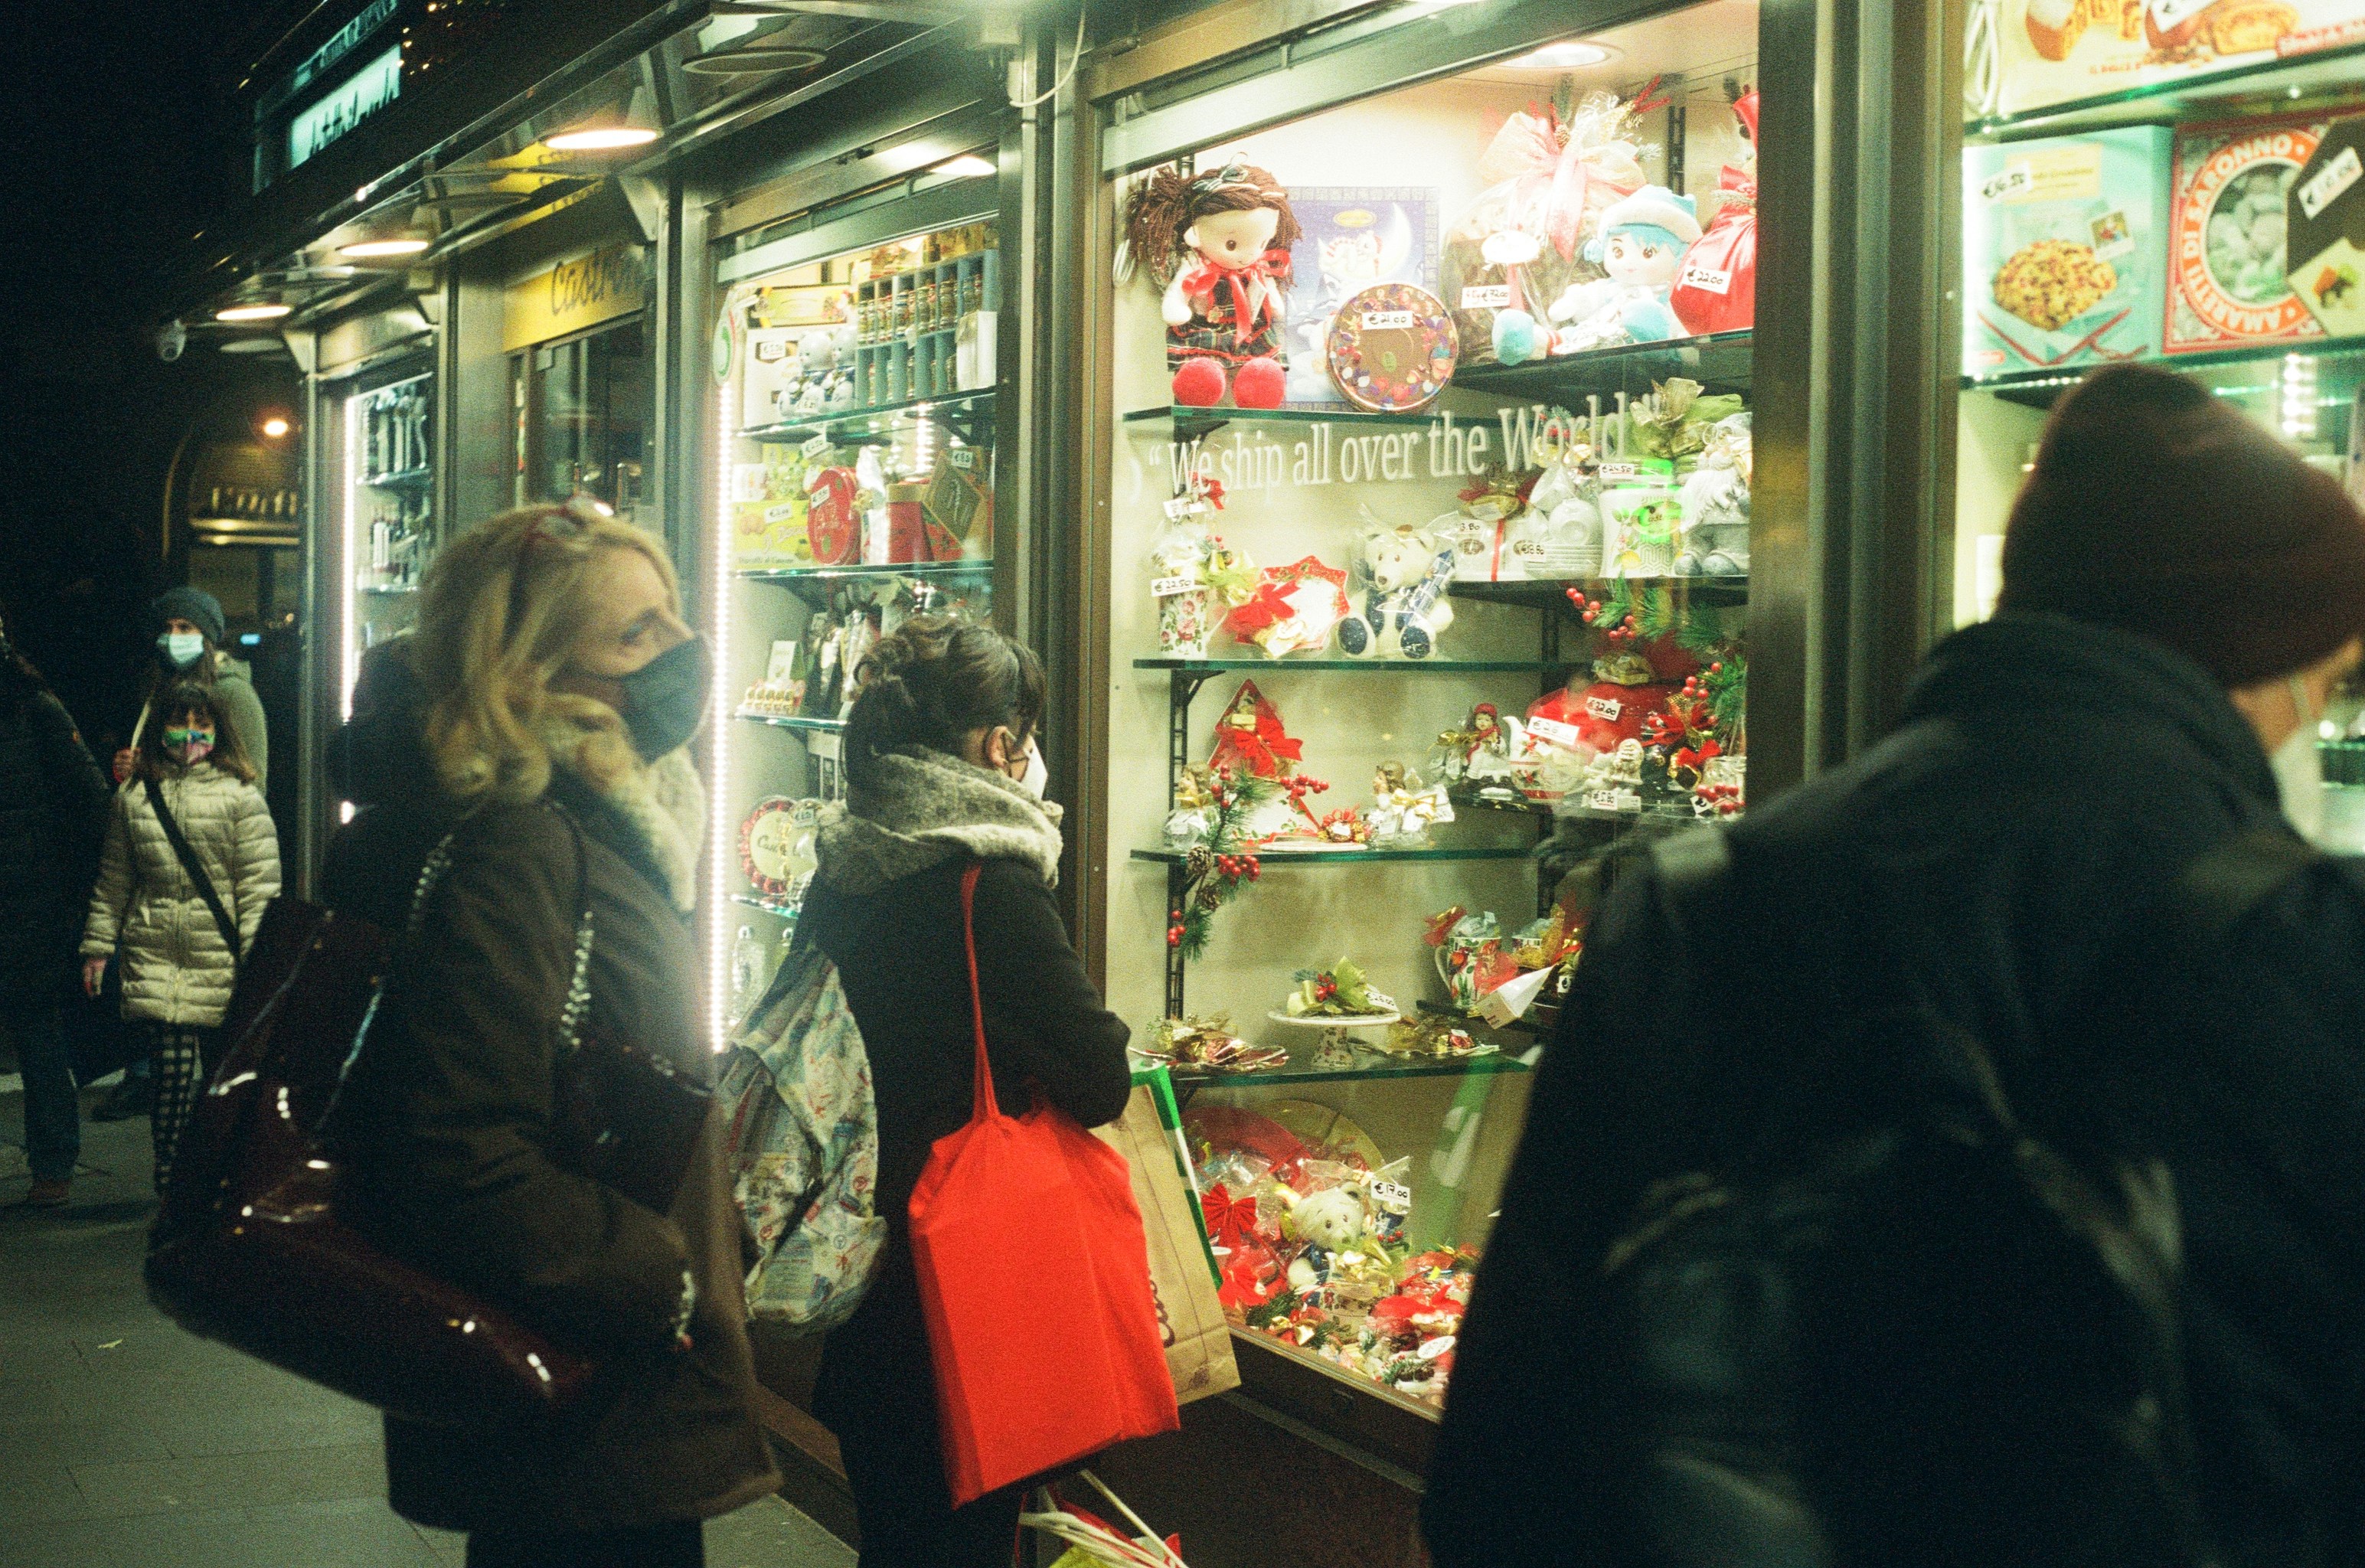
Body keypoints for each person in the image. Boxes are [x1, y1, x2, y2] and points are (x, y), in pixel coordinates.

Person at [1426, 361, 2365, 1566]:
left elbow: (1511, 1432)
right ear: (2250, 657)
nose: (2309, 718)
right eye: (2323, 681)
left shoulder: (1697, 903)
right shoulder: (2303, 940)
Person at [322, 501, 779, 1568]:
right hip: (585, 1394)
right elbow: (456, 1147)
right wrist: (661, 1276)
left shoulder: (602, 822)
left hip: (604, 1384)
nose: (684, 649)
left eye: (674, 614)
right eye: (635, 635)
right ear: (528, 672)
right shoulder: (524, 842)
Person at [792, 616, 1132, 1568]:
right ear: (996, 745)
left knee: (895, 1540)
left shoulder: (846, 859)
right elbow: (1098, 1075)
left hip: (860, 1279)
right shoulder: (990, 884)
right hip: (965, 1301)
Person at [79, 682, 279, 1193]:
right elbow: (115, 880)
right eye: (179, 722)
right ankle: (170, 1180)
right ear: (158, 729)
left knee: (220, 1082)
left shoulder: (242, 798)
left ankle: (217, 1177)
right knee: (169, 1079)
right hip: (156, 954)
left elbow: (258, 890)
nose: (190, 736)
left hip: (221, 959)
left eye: (202, 724)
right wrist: (98, 948)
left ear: (219, 731)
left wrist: (258, 964)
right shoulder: (135, 797)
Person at [93, 586, 268, 1122]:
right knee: (171, 1065)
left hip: (211, 897)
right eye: (168, 627)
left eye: (187, 628)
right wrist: (137, 770)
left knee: (219, 1065)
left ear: (209, 636)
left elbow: (249, 782)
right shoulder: (159, 691)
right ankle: (170, 1151)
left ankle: (214, 1154)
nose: (175, 637)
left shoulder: (233, 695)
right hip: (164, 900)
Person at [0, 617, 110, 1207]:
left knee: (37, 1030)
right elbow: (89, 798)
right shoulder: (36, 706)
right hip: (33, 895)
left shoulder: (35, 709)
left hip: (29, 900)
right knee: (37, 1030)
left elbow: (90, 801)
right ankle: (52, 1168)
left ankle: (53, 1166)